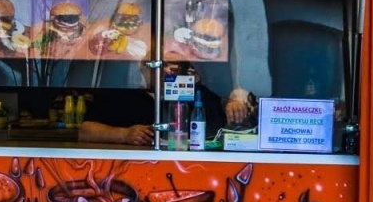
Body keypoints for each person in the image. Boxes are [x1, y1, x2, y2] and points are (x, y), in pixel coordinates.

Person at [77, 62, 256, 146]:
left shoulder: (195, 94)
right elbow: (85, 131)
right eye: (159, 66)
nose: (165, 72)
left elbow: (222, 106)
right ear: (144, 69)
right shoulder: (122, 95)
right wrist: (124, 134)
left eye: (173, 68)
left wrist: (231, 104)